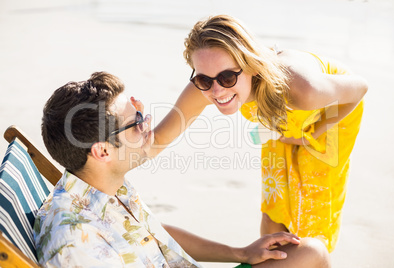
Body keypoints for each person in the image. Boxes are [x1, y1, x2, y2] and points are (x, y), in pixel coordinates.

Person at [34, 72, 330, 267]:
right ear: (102, 151)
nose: (146, 123)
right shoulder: (76, 243)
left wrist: (240, 252)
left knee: (309, 251)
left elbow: (152, 232)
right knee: (312, 255)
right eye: (136, 122)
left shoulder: (104, 186)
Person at [151, 15, 368, 253]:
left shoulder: (303, 90)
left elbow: (360, 89)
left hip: (329, 117)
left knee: (310, 220)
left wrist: (314, 132)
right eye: (203, 79)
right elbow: (158, 139)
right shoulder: (206, 87)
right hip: (277, 119)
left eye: (227, 77)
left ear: (251, 66)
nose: (216, 90)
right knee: (274, 211)